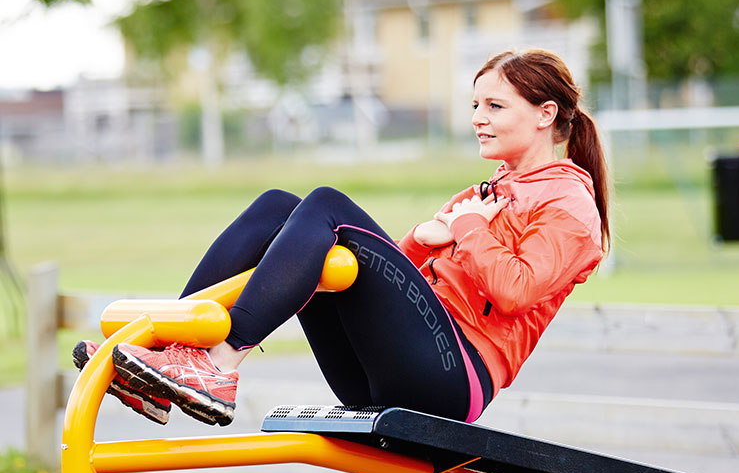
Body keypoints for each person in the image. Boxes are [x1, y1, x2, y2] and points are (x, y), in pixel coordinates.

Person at [74, 48, 609, 428]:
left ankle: (218, 365)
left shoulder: (569, 205)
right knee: (278, 209)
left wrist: (466, 227)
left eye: (495, 106)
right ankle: (166, 357)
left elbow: (515, 290)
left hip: (451, 381)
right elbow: (396, 284)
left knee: (327, 204)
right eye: (475, 106)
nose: (478, 119)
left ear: (546, 114)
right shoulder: (487, 193)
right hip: (384, 373)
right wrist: (424, 240)